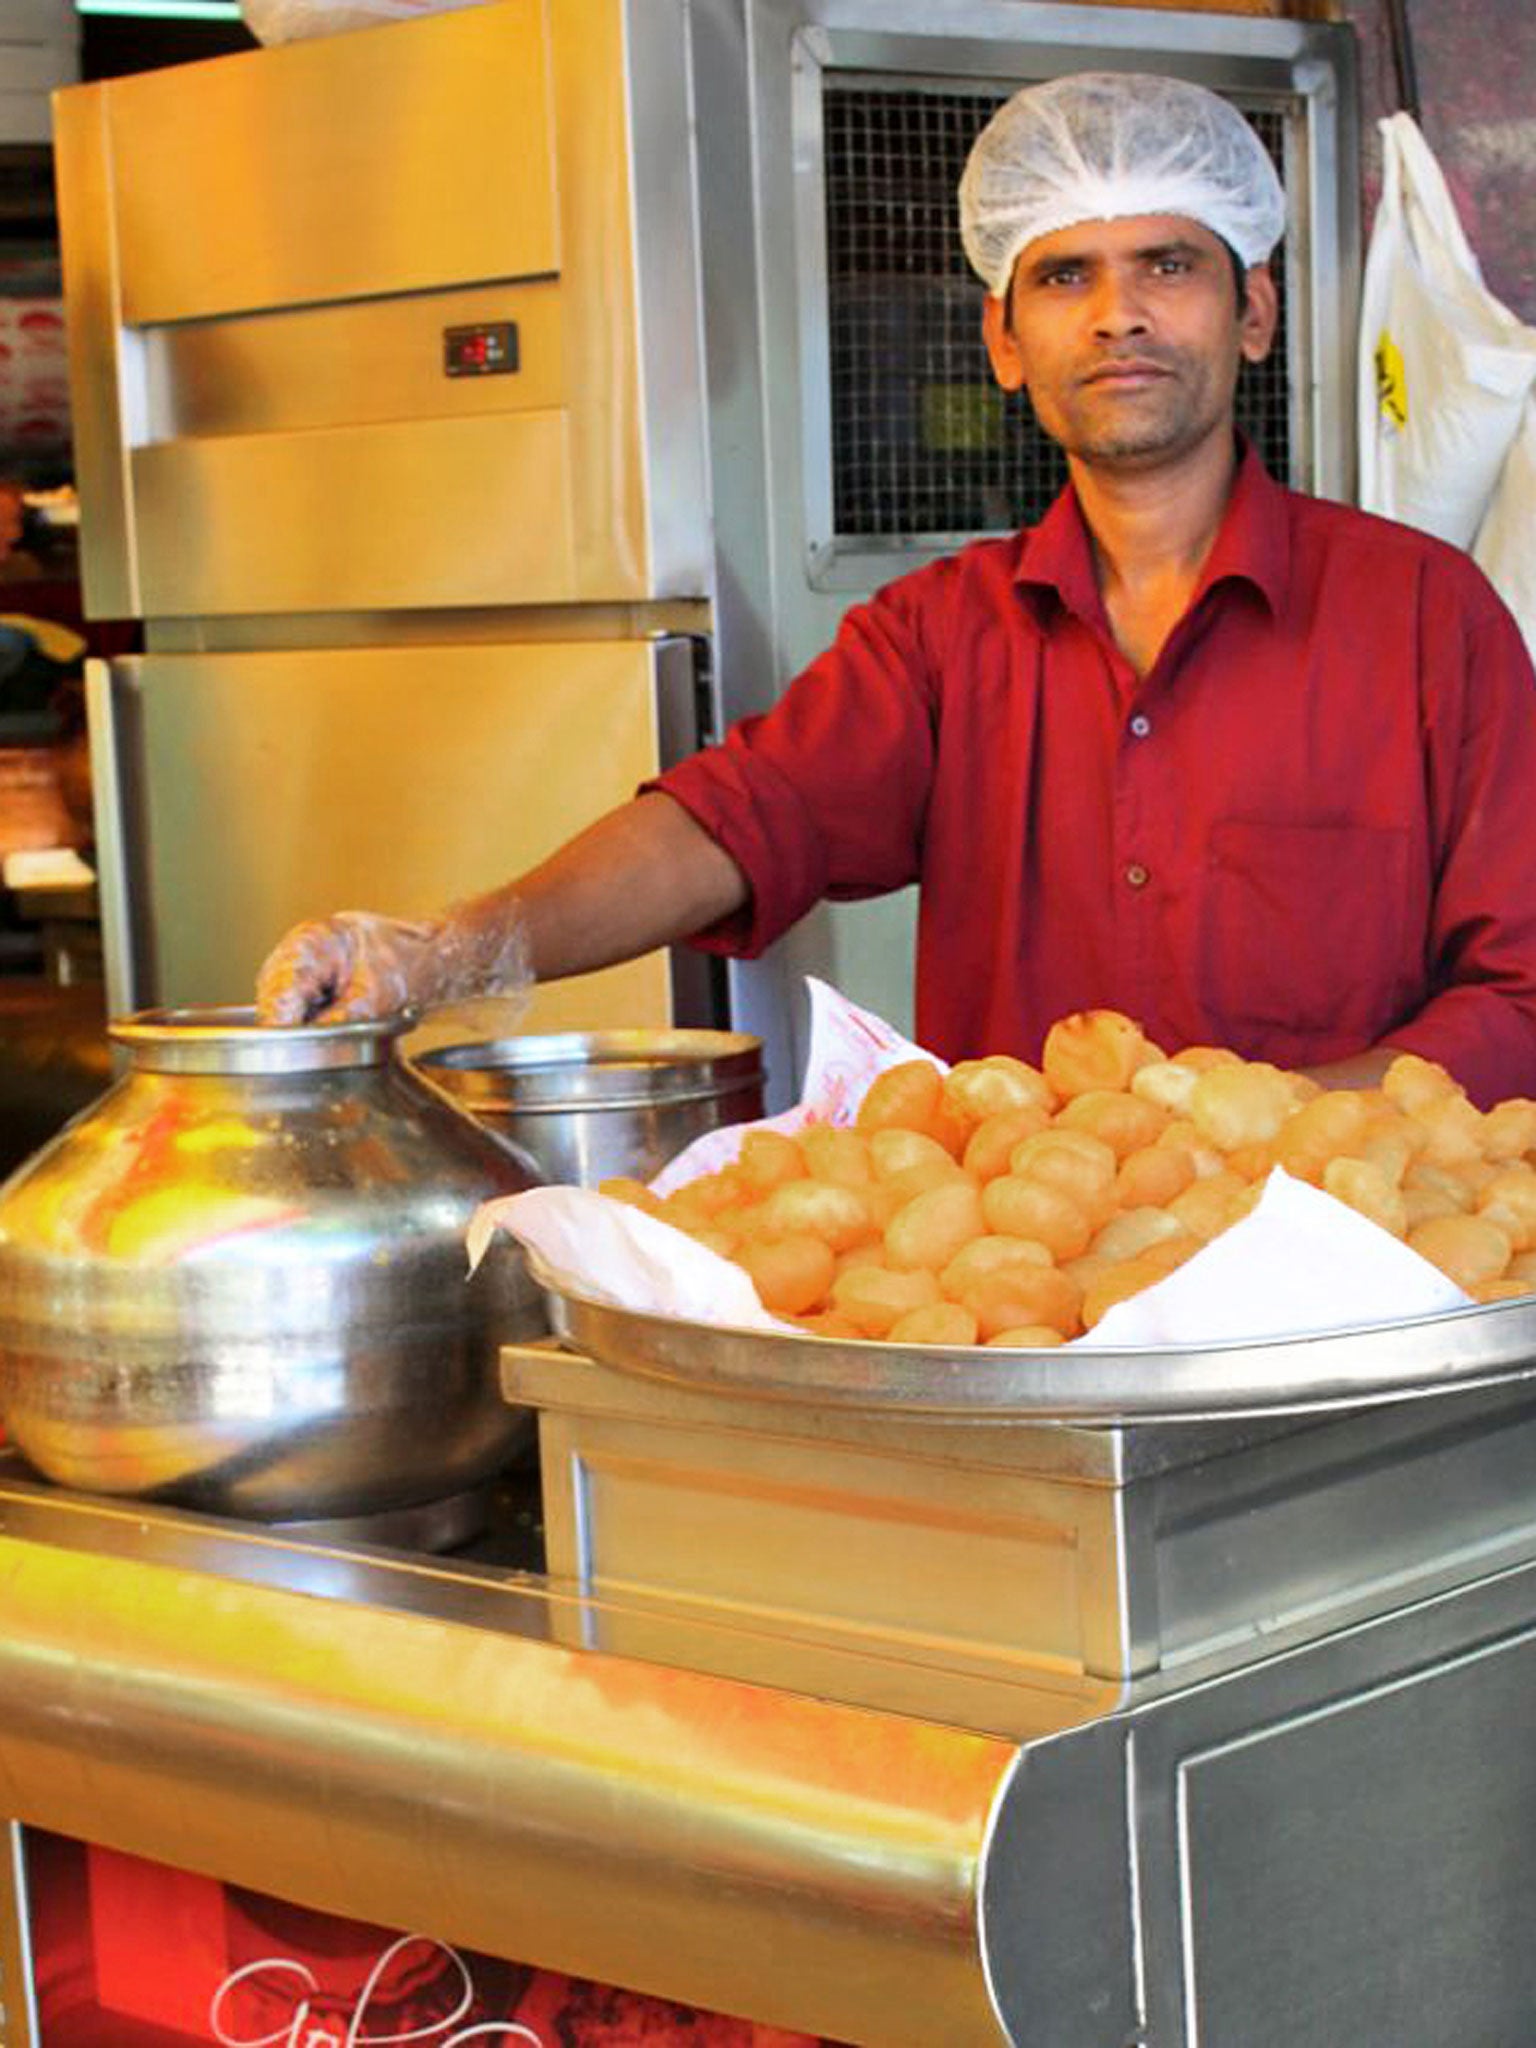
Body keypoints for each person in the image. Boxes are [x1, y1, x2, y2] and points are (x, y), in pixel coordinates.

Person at [256, 73, 1536, 1109]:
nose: (1118, 316)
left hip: (1355, 1292)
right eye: (1064, 275)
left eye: (1168, 266)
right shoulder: (940, 637)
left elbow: (1520, 988)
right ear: (1001, 341)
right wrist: (450, 948)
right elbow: (731, 824)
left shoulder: (1424, 618)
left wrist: (1280, 1128)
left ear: (1253, 311)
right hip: (1026, 1304)